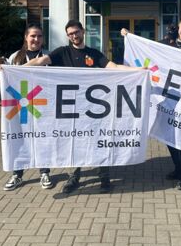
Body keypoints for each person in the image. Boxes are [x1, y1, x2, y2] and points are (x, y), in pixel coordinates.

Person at [25, 19, 135, 193]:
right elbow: (40, 61)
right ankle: (73, 177)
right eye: (70, 34)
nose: (74, 36)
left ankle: (104, 177)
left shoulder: (94, 53)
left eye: (76, 32)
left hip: (93, 109)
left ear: (83, 31)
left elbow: (113, 67)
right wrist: (16, 69)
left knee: (99, 141)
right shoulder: (62, 52)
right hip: (71, 110)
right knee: (73, 142)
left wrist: (138, 71)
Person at [122, 14, 181, 191]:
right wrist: (129, 36)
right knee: (169, 137)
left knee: (180, 137)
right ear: (179, 27)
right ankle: (178, 169)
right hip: (166, 99)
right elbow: (145, 47)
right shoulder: (165, 44)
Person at [3, 23, 54, 191]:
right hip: (20, 106)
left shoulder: (48, 56)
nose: (36, 39)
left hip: (42, 105)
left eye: (39, 36)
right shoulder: (15, 57)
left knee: (42, 138)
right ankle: (17, 174)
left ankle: (44, 172)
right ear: (26, 37)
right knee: (19, 138)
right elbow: (3, 79)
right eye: (33, 36)